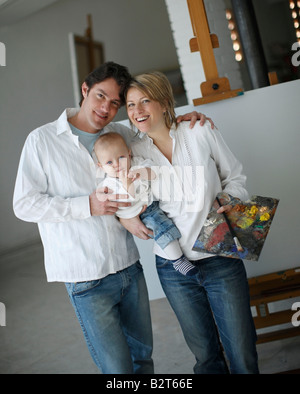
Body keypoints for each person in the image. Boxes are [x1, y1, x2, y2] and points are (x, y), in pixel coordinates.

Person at [13, 61, 212, 374]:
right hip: (84, 275)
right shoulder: (42, 141)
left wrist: (185, 120)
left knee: (143, 360)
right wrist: (87, 206)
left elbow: (156, 131)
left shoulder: (120, 133)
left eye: (115, 103)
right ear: (85, 90)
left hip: (129, 267)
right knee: (116, 369)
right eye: (100, 96)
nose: (106, 107)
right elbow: (24, 205)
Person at [120, 71, 259, 374]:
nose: (137, 111)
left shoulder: (199, 131)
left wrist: (230, 199)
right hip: (173, 269)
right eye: (130, 105)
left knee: (242, 352)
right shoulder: (133, 151)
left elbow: (235, 177)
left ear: (165, 102)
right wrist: (125, 214)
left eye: (145, 101)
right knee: (205, 356)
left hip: (220, 254)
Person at [94, 132, 197, 276]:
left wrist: (142, 173)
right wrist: (127, 183)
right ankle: (178, 260)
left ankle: (182, 253)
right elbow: (127, 200)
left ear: (129, 154)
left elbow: (154, 173)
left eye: (121, 157)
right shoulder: (108, 184)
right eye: (109, 163)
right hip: (139, 213)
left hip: (151, 204)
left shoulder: (137, 164)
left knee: (172, 220)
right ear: (101, 166)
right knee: (162, 228)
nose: (117, 165)